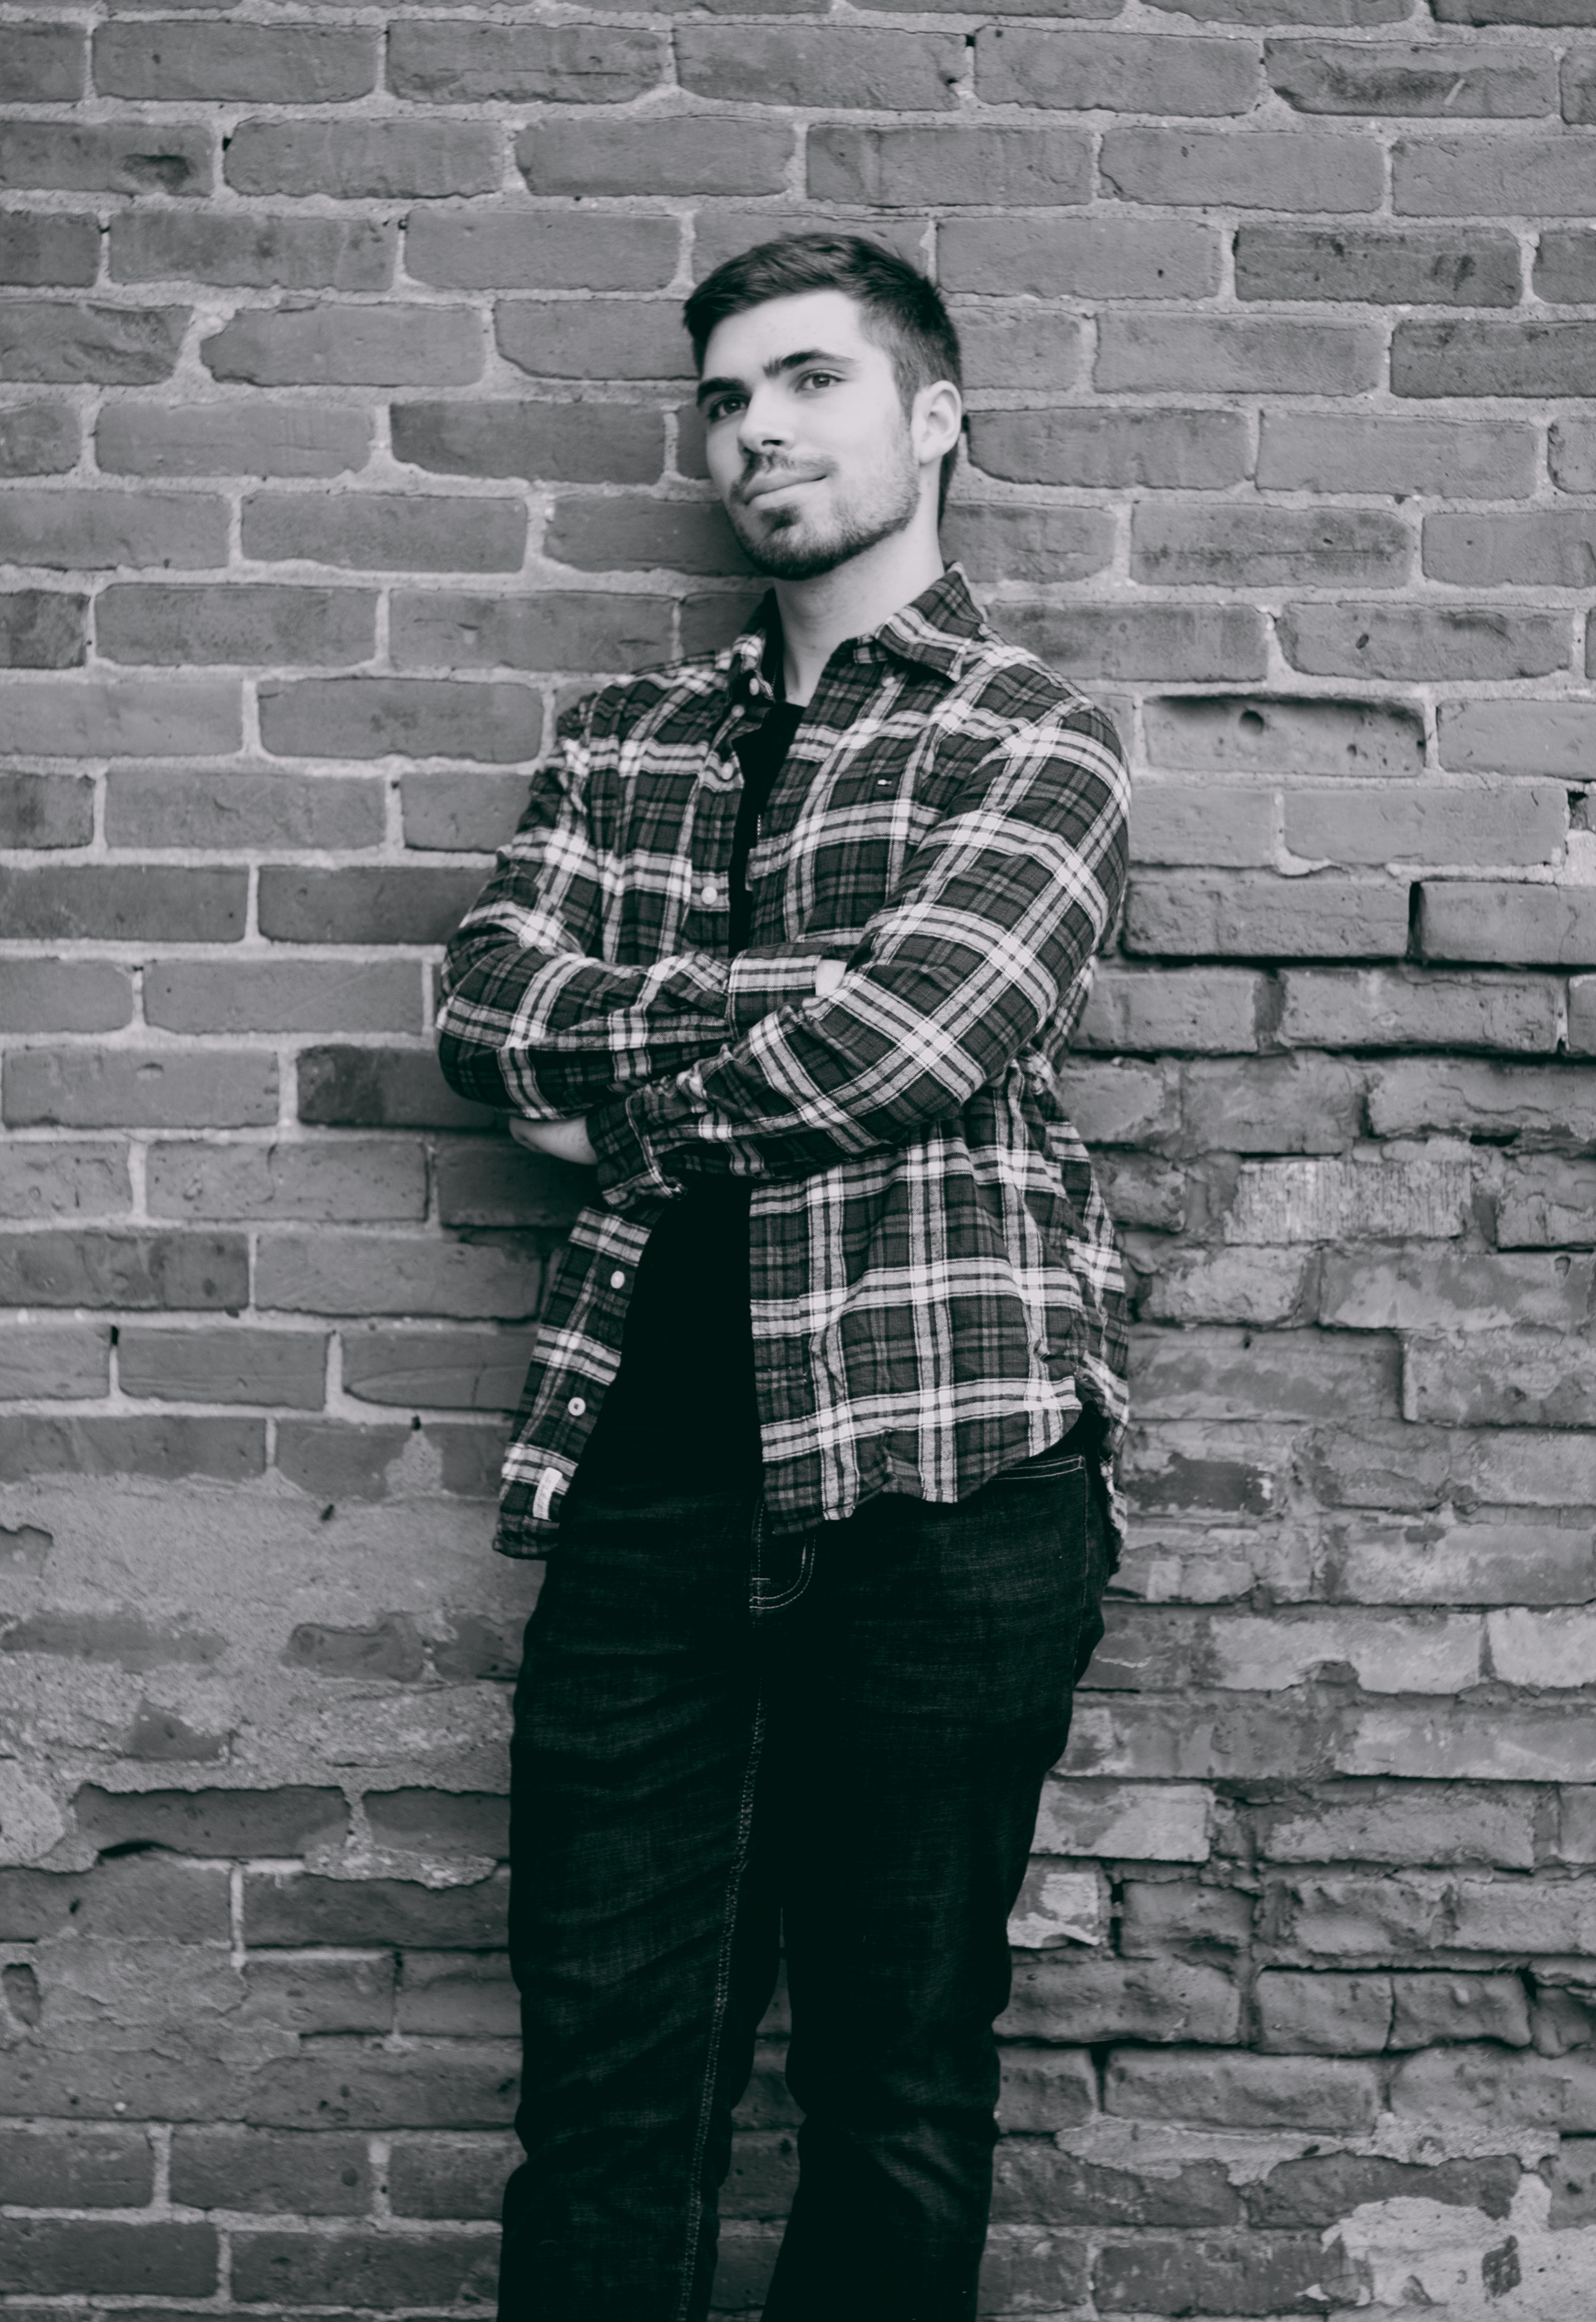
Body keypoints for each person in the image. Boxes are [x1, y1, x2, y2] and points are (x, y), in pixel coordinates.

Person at [436, 231, 1131, 2322]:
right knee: (604, 2094)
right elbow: (487, 1011)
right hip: (648, 1485)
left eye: (812, 381)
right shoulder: (625, 738)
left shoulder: (1037, 738)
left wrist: (627, 1084)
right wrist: (781, 1001)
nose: (757, 430)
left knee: (894, 2084)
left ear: (935, 418)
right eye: (728, 398)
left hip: (948, 1476)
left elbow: (917, 1038)